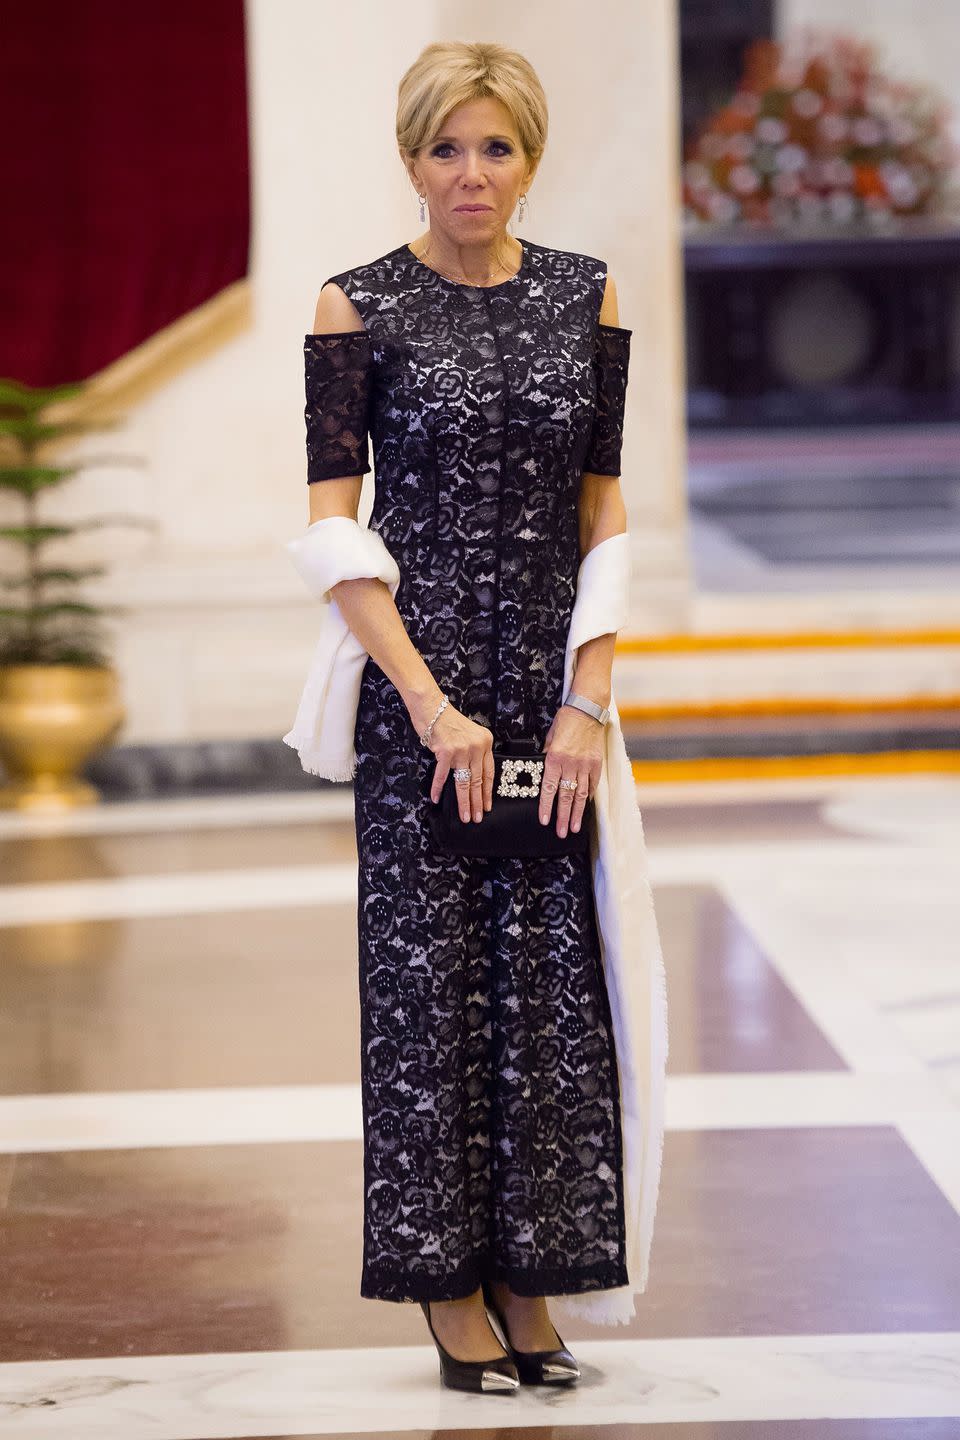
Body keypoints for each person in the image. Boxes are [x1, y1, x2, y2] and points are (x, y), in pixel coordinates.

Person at [298, 39, 658, 1394]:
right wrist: (430, 706)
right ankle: (448, 1289)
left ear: (530, 158)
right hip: (420, 704)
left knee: (550, 992)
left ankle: (529, 1274)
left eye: (495, 148)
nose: (471, 174)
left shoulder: (588, 295)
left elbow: (602, 508)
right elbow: (333, 528)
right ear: (411, 156)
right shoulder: (355, 306)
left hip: (550, 701)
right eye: (446, 147)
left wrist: (587, 699)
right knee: (428, 996)